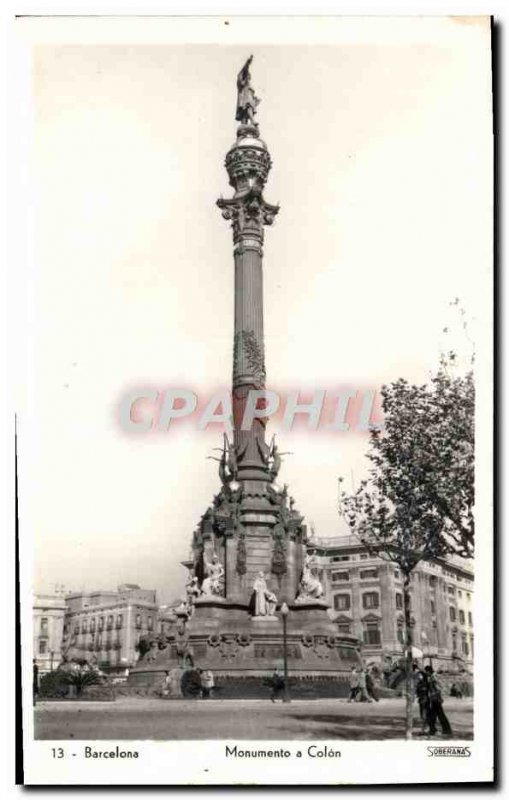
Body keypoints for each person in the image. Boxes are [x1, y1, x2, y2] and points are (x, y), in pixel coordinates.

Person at [425, 665, 452, 737]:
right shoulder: (432, 677)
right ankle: (436, 729)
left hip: (436, 699)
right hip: (435, 699)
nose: (426, 673)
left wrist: (437, 696)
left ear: (428, 671)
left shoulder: (434, 677)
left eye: (426, 672)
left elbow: (438, 688)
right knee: (434, 715)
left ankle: (444, 730)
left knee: (438, 715)